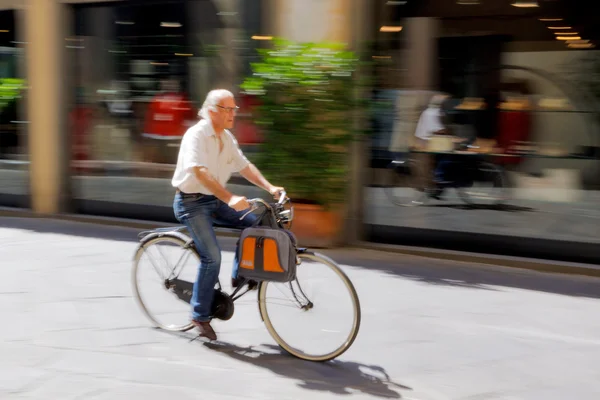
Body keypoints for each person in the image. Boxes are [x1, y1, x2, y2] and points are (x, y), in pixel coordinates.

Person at [171, 89, 284, 341]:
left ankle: (240, 273)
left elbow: (245, 166)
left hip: (213, 200)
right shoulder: (196, 135)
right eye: (228, 109)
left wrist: (269, 187)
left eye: (235, 108)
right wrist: (230, 198)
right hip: (191, 203)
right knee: (212, 257)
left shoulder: (227, 138)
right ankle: (199, 315)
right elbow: (198, 171)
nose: (234, 113)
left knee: (257, 221)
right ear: (212, 111)